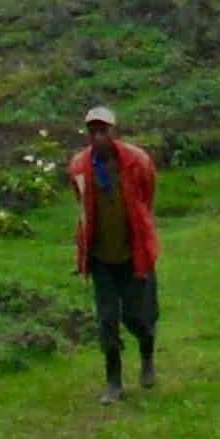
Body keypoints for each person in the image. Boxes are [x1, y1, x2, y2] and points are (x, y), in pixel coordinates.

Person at [70, 103, 160, 403]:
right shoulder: (80, 167)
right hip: (101, 258)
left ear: (113, 131)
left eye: (103, 130)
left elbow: (147, 195)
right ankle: (114, 381)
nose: (98, 136)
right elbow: (81, 204)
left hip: (133, 254)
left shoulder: (137, 161)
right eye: (92, 131)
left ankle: (147, 356)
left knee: (138, 317)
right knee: (107, 320)